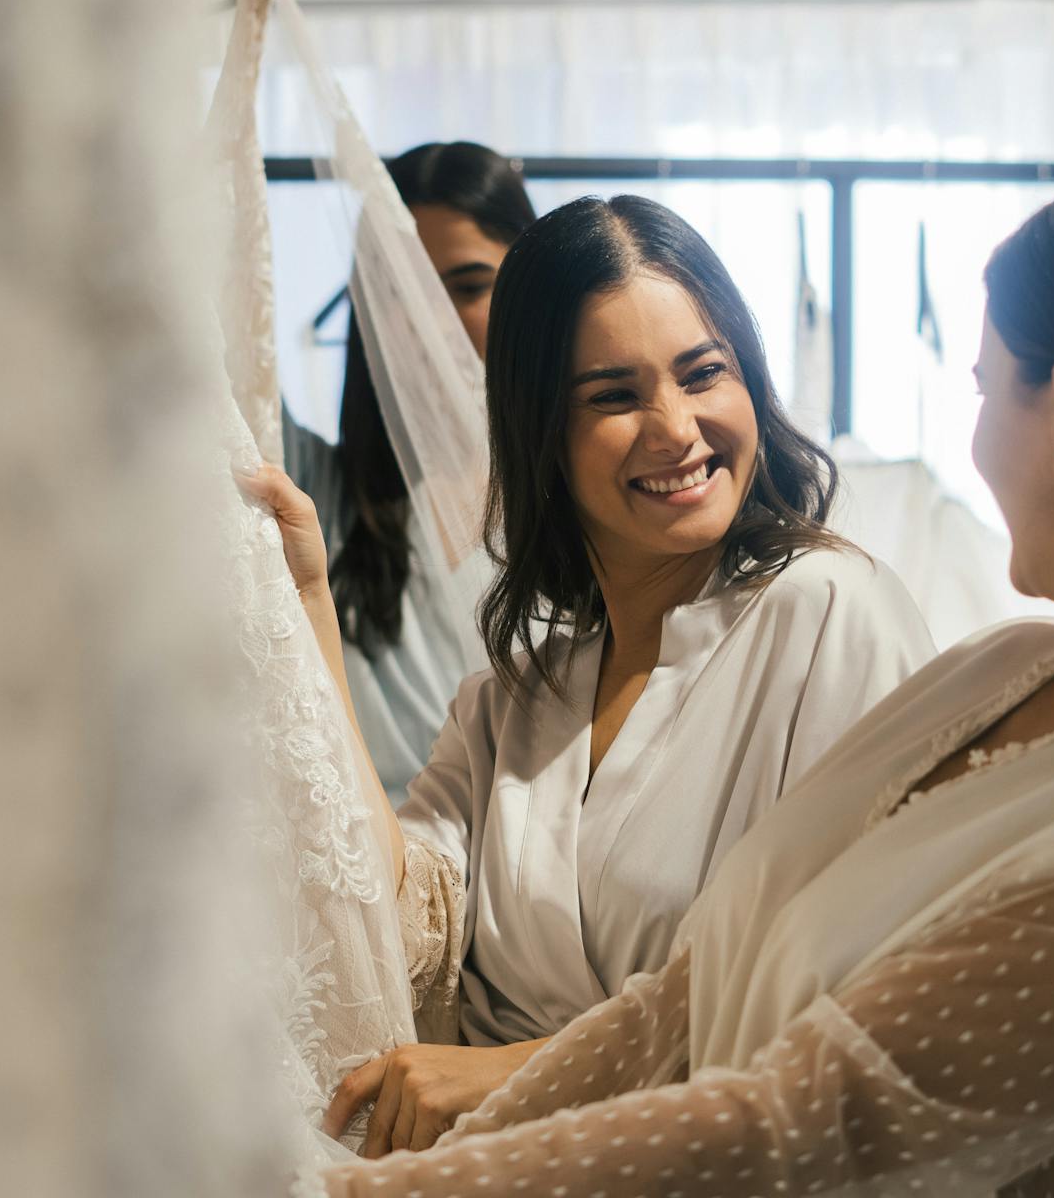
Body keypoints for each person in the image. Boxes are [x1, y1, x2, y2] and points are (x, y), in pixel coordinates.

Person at [300, 157, 1054, 1197]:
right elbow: (690, 998)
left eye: (982, 388)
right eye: (613, 393)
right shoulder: (1009, 666)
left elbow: (814, 1123)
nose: (975, 439)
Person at [248, 195, 936, 1157]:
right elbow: (392, 923)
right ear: (542, 436)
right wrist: (311, 603)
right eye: (613, 397)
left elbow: (866, 998)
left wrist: (521, 1066)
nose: (675, 428)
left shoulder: (827, 612)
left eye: (705, 373)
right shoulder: (518, 697)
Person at [282, 141, 537, 803]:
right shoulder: (312, 489)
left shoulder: (584, 496)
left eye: (468, 286)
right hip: (382, 886)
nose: (428, 322)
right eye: (401, 291)